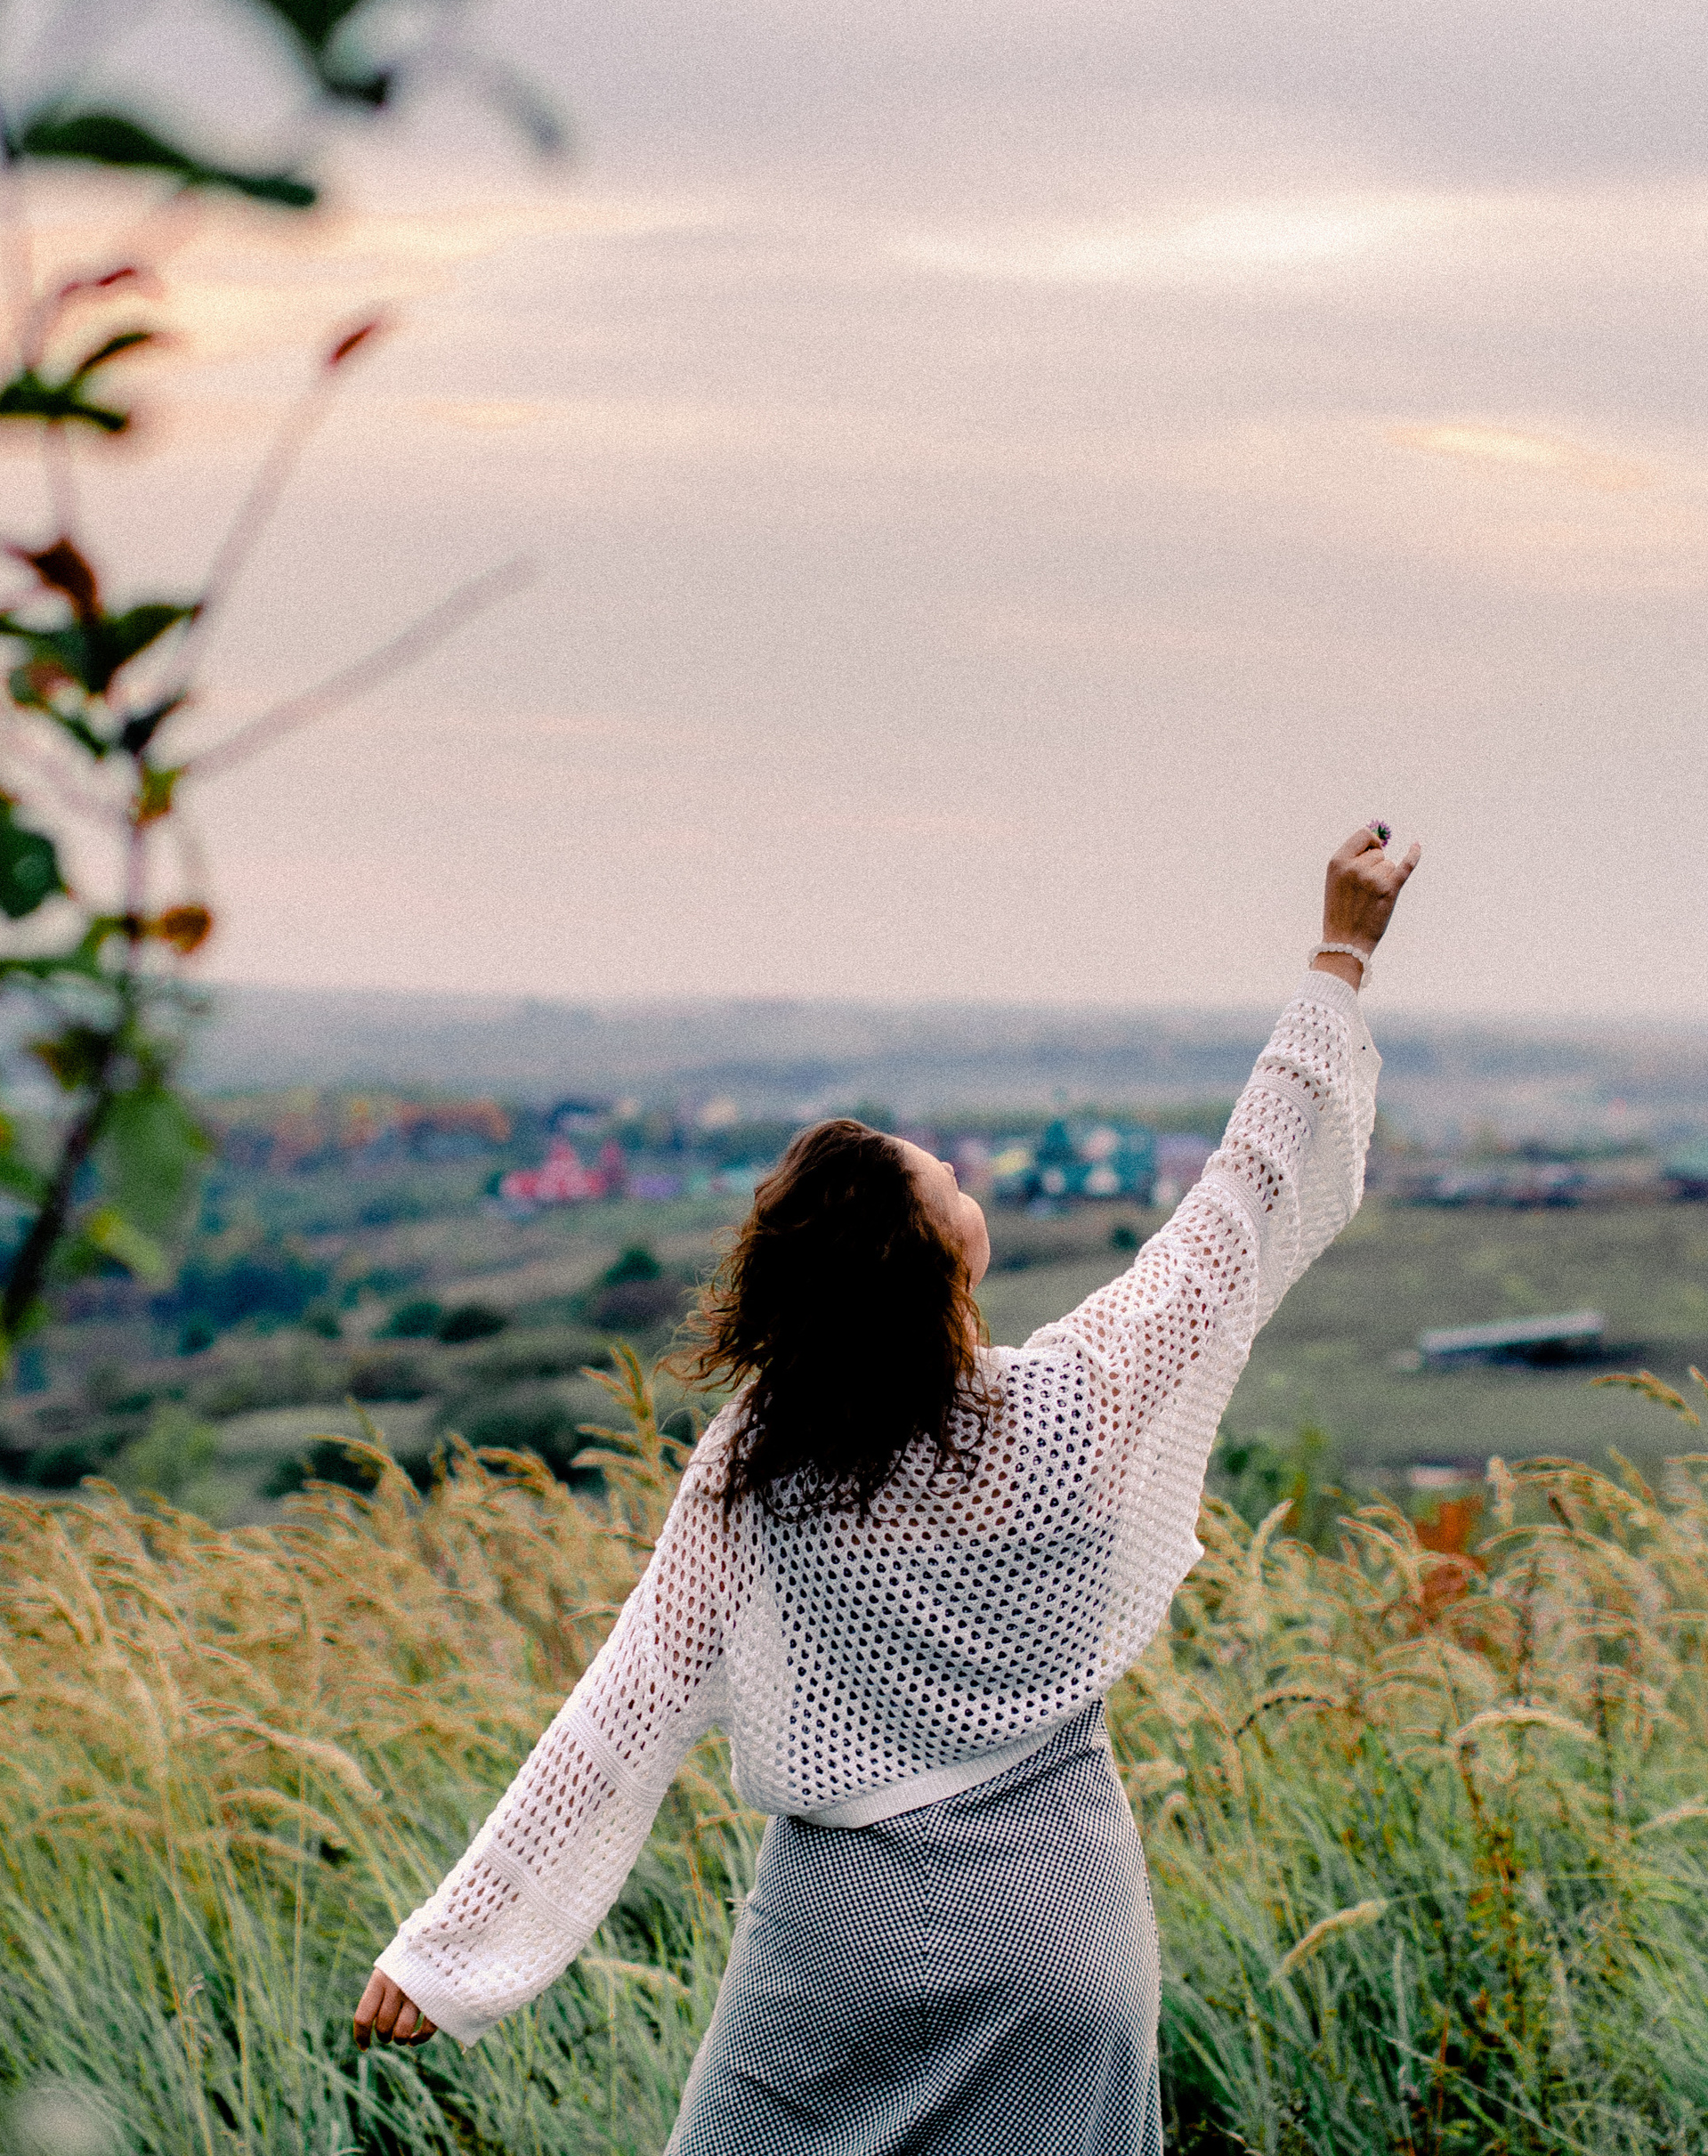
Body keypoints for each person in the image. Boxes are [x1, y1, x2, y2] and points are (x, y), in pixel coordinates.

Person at [353, 823, 1421, 2156]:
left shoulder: (763, 1455)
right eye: (947, 1184)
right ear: (938, 1257)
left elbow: (625, 1707)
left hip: (834, 1959)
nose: (964, 1181)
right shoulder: (1079, 1401)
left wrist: (450, 1951)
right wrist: (1339, 955)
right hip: (1059, 1941)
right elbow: (1243, 1195)